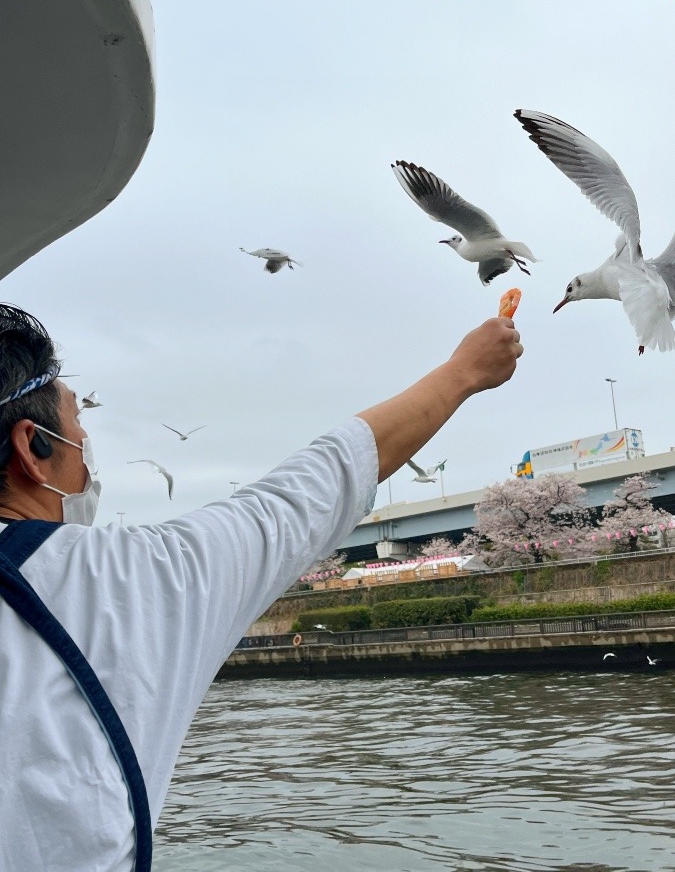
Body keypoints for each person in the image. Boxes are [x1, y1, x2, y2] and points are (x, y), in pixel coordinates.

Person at [0, 302, 522, 870]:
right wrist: (464, 370)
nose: (86, 448)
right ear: (33, 447)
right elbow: (313, 486)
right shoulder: (127, 578)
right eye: (77, 424)